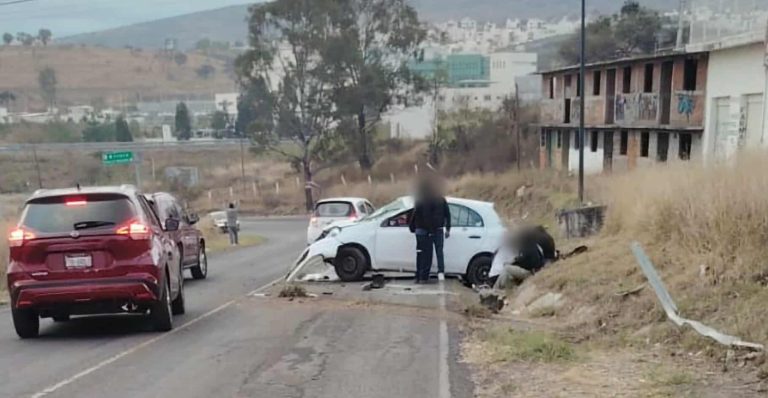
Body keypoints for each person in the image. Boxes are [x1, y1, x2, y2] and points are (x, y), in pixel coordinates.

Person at [408, 176, 451, 284]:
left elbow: (419, 214)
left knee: (421, 253)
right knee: (435, 252)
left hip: (422, 230)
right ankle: (433, 274)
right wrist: (447, 228)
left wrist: (415, 227)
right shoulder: (440, 200)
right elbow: (446, 214)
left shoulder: (421, 199)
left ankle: (419, 276)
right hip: (434, 229)